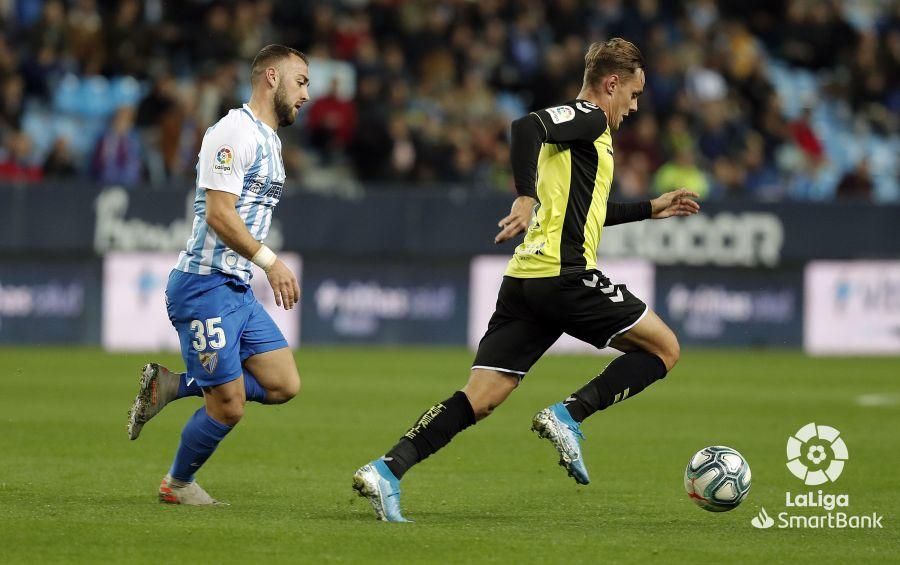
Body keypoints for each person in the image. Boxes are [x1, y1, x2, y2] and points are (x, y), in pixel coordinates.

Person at [353, 38, 700, 522]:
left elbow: (590, 212)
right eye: (634, 95)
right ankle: (570, 414)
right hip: (564, 276)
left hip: (525, 281)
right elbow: (525, 126)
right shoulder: (591, 117)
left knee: (481, 398)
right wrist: (524, 196)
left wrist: (649, 208)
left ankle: (386, 470)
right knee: (664, 349)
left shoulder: (585, 138)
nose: (634, 107)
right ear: (612, 84)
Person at [125, 44, 309, 505]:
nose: (307, 93)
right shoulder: (232, 133)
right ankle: (177, 484)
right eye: (301, 81)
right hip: (204, 286)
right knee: (228, 406)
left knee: (284, 384)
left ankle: (172, 385)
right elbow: (219, 215)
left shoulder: (271, 140)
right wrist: (271, 262)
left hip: (236, 289)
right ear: (271, 76)